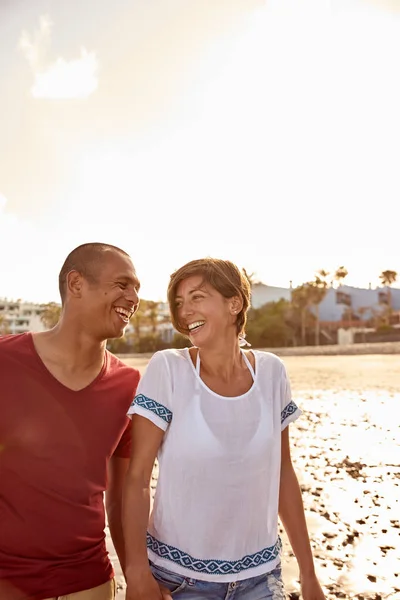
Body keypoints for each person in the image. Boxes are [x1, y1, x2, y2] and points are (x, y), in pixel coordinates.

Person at [123, 258, 326, 600]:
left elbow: (284, 474)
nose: (185, 310)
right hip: (179, 581)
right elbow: (137, 478)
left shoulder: (273, 372)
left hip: (261, 579)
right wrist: (137, 574)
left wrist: (308, 574)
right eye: (179, 302)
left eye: (198, 297)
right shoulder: (168, 370)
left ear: (235, 304)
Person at [0, 243, 141, 600]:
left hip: (90, 580)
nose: (134, 296)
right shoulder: (4, 362)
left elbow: (122, 500)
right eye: (123, 284)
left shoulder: (130, 386)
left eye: (137, 287)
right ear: (76, 284)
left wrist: (136, 576)